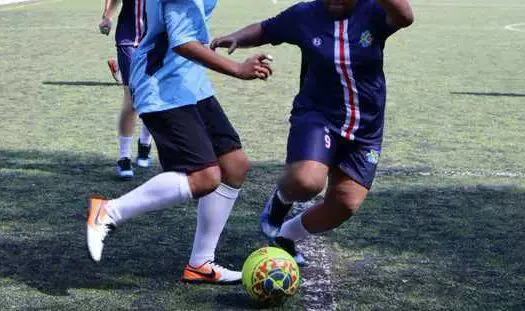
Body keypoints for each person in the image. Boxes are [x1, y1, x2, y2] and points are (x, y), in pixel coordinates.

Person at [211, 0, 414, 266]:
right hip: (318, 116)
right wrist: (236, 37)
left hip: (366, 127)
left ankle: (285, 237)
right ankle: (280, 199)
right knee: (307, 182)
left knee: (345, 204)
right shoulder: (305, 14)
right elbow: (266, 29)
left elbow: (404, 16)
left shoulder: (373, 11)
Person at [87, 0, 273, 285]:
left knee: (234, 165)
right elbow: (182, 42)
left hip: (189, 81)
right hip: (161, 84)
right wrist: (237, 69)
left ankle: (200, 263)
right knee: (204, 177)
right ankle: (107, 212)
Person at [99, 0, 153, 180]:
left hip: (156, 40)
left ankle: (145, 145)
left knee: (153, 94)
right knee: (132, 96)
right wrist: (107, 17)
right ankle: (124, 157)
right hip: (128, 38)